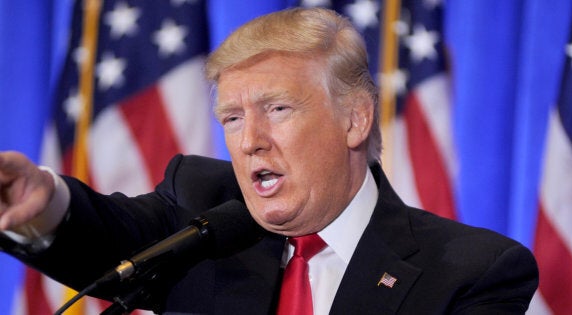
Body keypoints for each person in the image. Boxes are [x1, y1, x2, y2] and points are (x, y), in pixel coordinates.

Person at [0, 7, 538, 315]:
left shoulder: (473, 272)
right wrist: (41, 207)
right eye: (232, 118)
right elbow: (107, 239)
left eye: (277, 109)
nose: (249, 140)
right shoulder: (205, 212)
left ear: (355, 120)